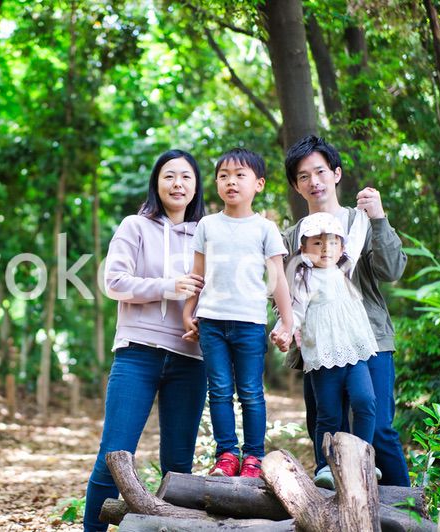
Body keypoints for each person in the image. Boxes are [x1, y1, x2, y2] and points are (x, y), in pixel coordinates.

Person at [83, 149, 208, 532]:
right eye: (169, 176)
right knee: (113, 455)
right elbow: (114, 282)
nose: (178, 184)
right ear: (157, 182)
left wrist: (204, 319)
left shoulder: (208, 234)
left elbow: (219, 291)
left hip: (190, 357)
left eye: (186, 177)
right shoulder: (134, 227)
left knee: (179, 467)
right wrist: (170, 287)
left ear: (196, 186)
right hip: (138, 353)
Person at [283, 135, 410, 486]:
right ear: (296, 185)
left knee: (380, 428)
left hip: (370, 340)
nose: (314, 181)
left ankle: (410, 512)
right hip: (318, 346)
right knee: (326, 426)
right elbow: (287, 294)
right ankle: (331, 514)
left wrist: (380, 217)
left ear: (336, 174)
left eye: (320, 171)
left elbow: (392, 270)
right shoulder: (293, 238)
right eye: (304, 176)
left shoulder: (362, 223)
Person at [182, 148, 293, 478]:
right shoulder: (207, 225)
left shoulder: (265, 229)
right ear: (216, 183)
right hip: (212, 322)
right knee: (218, 391)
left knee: (250, 393)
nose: (231, 182)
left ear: (258, 184)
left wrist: (287, 322)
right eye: (223, 176)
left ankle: (254, 458)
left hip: (249, 323)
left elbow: (277, 280)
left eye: (240, 175)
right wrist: (190, 312)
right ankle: (226, 455)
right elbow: (197, 274)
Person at [272, 212, 379, 488]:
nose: (326, 249)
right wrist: (284, 330)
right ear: (303, 250)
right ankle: (326, 467)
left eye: (332, 243)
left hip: (354, 352)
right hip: (322, 357)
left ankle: (362, 456)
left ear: (341, 247)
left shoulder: (346, 268)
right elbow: (293, 312)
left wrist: (364, 212)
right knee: (328, 414)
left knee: (365, 401)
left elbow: (356, 238)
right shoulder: (303, 279)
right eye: (317, 244)